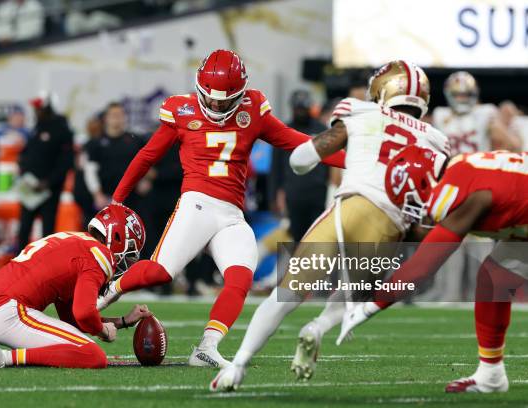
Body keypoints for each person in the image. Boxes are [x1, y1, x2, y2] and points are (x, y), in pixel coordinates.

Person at [210, 60, 451, 391]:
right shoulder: (438, 141)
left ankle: (237, 365)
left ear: (382, 89)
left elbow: (301, 159)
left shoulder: (361, 112)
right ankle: (318, 328)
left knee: (287, 294)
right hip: (387, 227)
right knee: (350, 300)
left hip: (347, 210)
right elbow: (436, 204)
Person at [97, 49, 346, 368]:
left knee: (240, 276)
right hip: (197, 204)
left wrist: (354, 161)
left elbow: (297, 142)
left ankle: (206, 347)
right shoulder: (182, 111)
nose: (215, 105)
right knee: (160, 272)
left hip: (231, 215)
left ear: (240, 94)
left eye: (223, 101)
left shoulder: (253, 110)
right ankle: (106, 292)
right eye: (210, 99)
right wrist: (118, 198)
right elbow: (148, 156)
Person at [337, 147, 528, 393]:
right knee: (494, 279)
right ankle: (491, 375)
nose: (414, 215)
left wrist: (370, 306)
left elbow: (423, 266)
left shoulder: (462, 190)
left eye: (412, 201)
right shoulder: (465, 171)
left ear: (425, 183)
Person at [0, 205, 152, 369]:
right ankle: (3, 357)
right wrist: (103, 331)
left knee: (83, 348)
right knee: (93, 356)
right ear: (117, 238)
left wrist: (122, 321)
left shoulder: (76, 241)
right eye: (129, 253)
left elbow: (73, 319)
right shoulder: (99, 254)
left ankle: (4, 356)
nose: (125, 263)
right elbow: (84, 314)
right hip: (7, 310)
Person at [426, 72, 522, 301]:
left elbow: (511, 144)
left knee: (480, 242)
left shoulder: (485, 113)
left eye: (465, 94)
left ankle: (477, 293)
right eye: (456, 94)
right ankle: (448, 292)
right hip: (452, 183)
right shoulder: (440, 115)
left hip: (478, 183)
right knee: (450, 239)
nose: (460, 98)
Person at [269, 90, 328, 242]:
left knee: (317, 238)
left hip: (318, 194)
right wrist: (274, 196)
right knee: (296, 238)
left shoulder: (322, 130)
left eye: (303, 108)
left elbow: (330, 162)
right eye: (298, 108)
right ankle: (298, 265)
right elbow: (276, 167)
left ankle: (315, 265)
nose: (300, 112)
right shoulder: (283, 131)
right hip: (293, 194)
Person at [17, 93, 73, 250]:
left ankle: (46, 270)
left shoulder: (62, 130)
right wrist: (23, 168)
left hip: (49, 191)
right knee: (23, 230)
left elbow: (66, 163)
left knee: (47, 234)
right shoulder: (36, 128)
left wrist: (48, 182)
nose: (35, 111)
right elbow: (27, 153)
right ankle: (20, 266)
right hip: (30, 189)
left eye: (39, 108)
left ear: (47, 108)